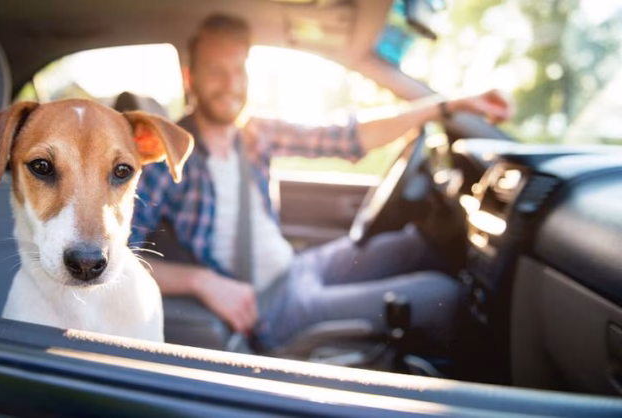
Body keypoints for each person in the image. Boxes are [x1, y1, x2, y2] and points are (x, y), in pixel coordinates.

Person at [130, 13, 511, 350]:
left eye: (239, 69)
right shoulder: (166, 158)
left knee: (412, 245)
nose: (230, 83)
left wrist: (448, 106)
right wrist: (201, 282)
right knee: (441, 295)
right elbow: (118, 257)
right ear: (190, 76)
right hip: (272, 309)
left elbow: (349, 136)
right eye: (216, 69)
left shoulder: (254, 133)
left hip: (297, 268)